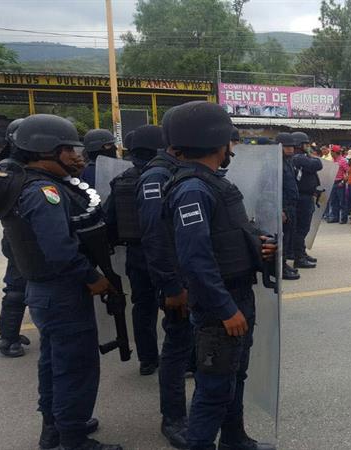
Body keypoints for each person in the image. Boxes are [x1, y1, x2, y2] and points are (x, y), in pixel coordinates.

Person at [162, 101, 277, 449]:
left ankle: (233, 439)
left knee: (233, 376)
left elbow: (225, 235)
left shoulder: (211, 183)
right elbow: (196, 259)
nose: (233, 147)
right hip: (219, 303)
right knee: (213, 388)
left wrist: (258, 247)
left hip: (236, 293)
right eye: (230, 140)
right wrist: (225, 309)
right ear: (217, 142)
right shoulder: (193, 190)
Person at [2, 114, 116, 449]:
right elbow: (59, 249)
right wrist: (91, 277)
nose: (77, 156)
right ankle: (73, 438)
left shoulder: (26, 184)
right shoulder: (45, 191)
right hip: (63, 291)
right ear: (44, 151)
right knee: (75, 368)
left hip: (46, 291)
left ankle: (56, 427)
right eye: (68, 150)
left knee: (55, 362)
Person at [136, 112, 191, 448]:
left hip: (188, 276)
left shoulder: (173, 170)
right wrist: (171, 286)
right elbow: (155, 236)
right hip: (175, 280)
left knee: (188, 344)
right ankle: (173, 418)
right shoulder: (157, 175)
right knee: (176, 347)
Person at [103, 125, 164, 377]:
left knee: (143, 307)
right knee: (178, 305)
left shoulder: (121, 180)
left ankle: (148, 360)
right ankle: (185, 359)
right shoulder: (166, 176)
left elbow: (109, 222)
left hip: (137, 255)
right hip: (166, 254)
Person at [0, 118, 31, 358]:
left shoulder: (12, 165)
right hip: (20, 233)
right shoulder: (11, 168)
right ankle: (8, 338)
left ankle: (10, 334)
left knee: (18, 285)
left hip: (17, 233)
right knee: (17, 287)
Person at [291, 131, 322, 269]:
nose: (308, 146)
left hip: (305, 196)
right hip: (302, 198)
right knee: (301, 229)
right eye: (305, 144)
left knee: (302, 228)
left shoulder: (300, 157)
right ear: (299, 144)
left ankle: (301, 253)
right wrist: (310, 154)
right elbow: (318, 164)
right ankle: (299, 257)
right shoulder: (298, 158)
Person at [279, 133, 301, 281]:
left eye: (292, 146)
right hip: (284, 206)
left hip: (291, 205)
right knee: (283, 238)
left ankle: (284, 263)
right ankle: (280, 267)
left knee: (289, 237)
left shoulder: (288, 162)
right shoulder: (276, 163)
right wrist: (279, 209)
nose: (291, 149)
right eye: (287, 146)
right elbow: (274, 188)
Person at [327, 145, 349, 223]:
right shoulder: (332, 161)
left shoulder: (342, 161)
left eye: (331, 152)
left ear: (335, 152)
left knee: (342, 201)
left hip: (340, 182)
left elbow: (348, 172)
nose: (330, 153)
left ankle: (343, 218)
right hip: (333, 182)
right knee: (333, 201)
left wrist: (343, 182)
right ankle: (335, 217)